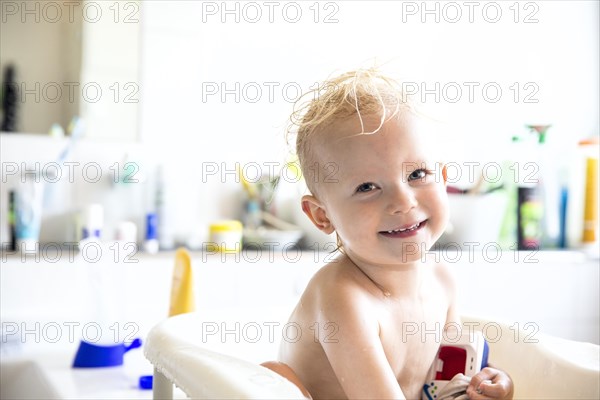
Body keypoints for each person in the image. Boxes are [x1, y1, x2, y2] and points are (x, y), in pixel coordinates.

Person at [262, 68, 514, 400]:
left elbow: (446, 385)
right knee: (270, 377)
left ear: (443, 177)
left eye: (418, 173)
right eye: (367, 187)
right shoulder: (342, 297)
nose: (403, 201)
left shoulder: (442, 281)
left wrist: (491, 386)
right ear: (322, 216)